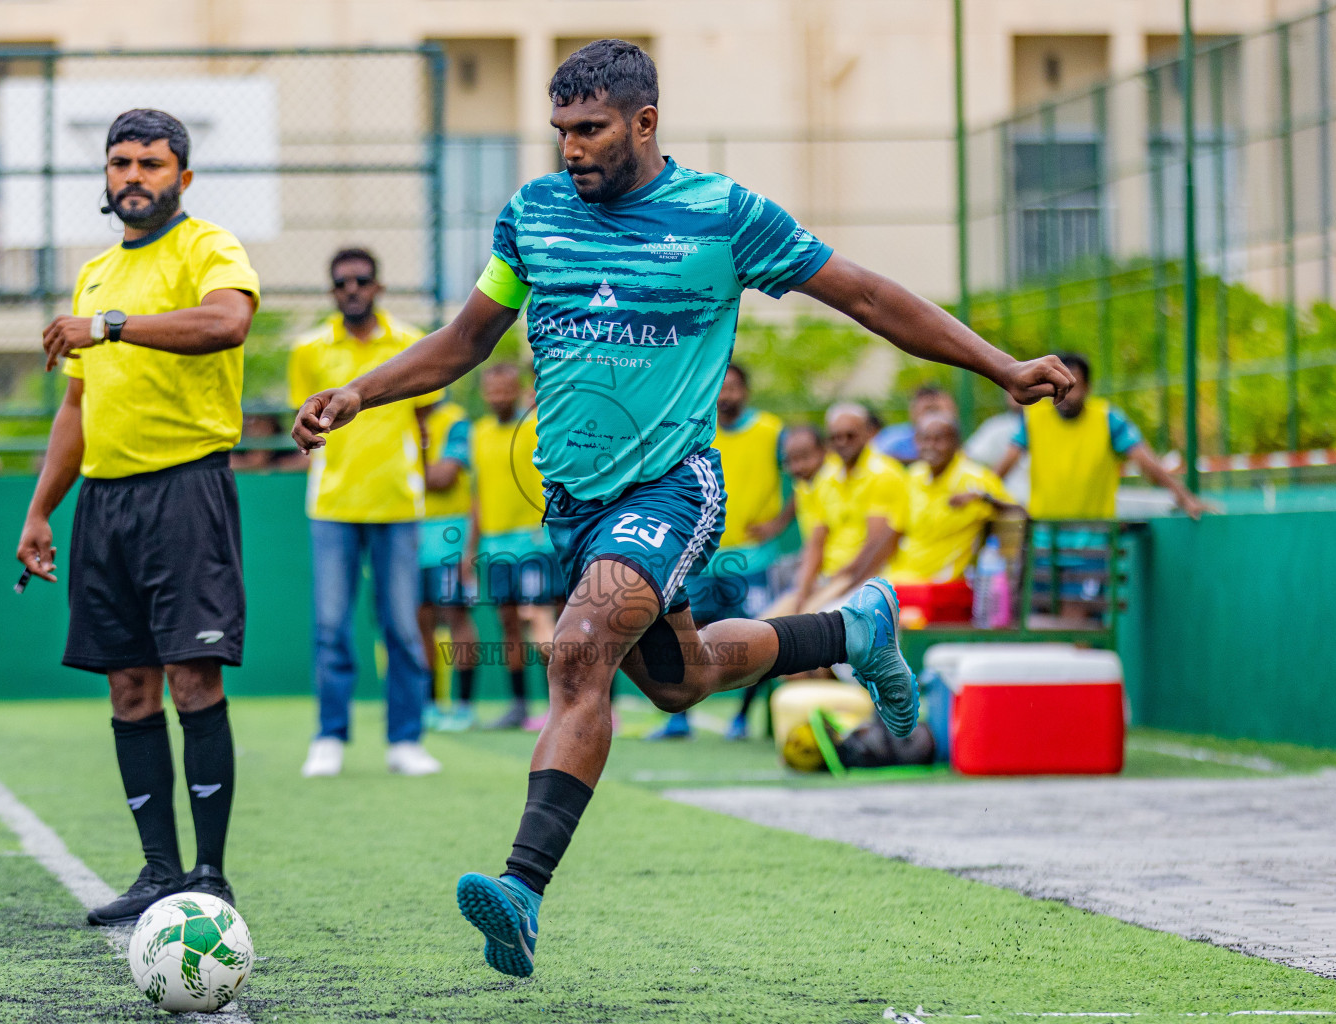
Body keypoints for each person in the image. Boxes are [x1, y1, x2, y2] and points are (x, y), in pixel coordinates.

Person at [290, 39, 1072, 978]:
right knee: (678, 680)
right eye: (561, 130)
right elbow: (466, 339)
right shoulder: (533, 215)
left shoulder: (724, 215)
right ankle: (851, 630)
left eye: (590, 129)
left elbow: (865, 296)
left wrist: (999, 365)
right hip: (573, 509)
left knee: (578, 651)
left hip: (671, 488)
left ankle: (522, 891)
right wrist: (361, 392)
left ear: (645, 122)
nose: (571, 148)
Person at [14, 108, 258, 925]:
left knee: (193, 677)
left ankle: (210, 876)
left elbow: (227, 323)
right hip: (105, 502)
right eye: (120, 163)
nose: (133, 177)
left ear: (182, 177)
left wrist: (110, 326)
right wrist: (40, 510)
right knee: (128, 686)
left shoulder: (207, 247)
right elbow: (76, 405)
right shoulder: (94, 274)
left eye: (151, 164)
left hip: (185, 489)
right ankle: (158, 871)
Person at [289, 246, 441, 779]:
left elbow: (425, 420)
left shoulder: (410, 343)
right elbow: (302, 424)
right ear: (332, 291)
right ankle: (329, 737)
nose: (351, 289)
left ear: (378, 286)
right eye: (341, 282)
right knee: (331, 627)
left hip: (398, 504)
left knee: (402, 628)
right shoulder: (308, 349)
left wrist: (420, 473)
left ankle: (406, 740)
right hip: (332, 506)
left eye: (361, 280)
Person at [649, 362, 790, 740]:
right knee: (685, 637)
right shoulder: (695, 430)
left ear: (746, 391)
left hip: (753, 559)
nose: (726, 394)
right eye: (721, 387)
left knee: (759, 634)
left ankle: (743, 719)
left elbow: (807, 476)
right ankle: (679, 718)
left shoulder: (771, 430)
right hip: (701, 557)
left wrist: (780, 522)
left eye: (734, 387)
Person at [994, 352, 1208, 522]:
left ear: (1088, 388)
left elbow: (1147, 463)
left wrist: (1185, 498)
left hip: (1096, 537)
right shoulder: (1033, 419)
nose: (1065, 394)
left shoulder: (1108, 419)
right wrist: (987, 496)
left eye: (1072, 387)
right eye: (1057, 385)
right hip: (1045, 536)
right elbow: (1003, 467)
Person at [467, 363, 562, 730]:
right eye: (492, 390)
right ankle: (519, 704)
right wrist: (471, 547)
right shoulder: (478, 433)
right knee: (508, 622)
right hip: (495, 545)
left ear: (518, 389)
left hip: (534, 542)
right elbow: (478, 494)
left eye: (506, 389)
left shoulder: (537, 425)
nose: (499, 397)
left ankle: (559, 704)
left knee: (538, 618)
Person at [777, 402, 908, 616]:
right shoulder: (827, 477)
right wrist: (804, 590)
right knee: (768, 622)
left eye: (850, 435)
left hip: (866, 581)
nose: (842, 442)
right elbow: (816, 542)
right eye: (836, 437)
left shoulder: (883, 473)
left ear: (867, 433)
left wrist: (837, 583)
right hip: (830, 579)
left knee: (808, 623)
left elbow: (877, 546)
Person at [877, 413, 1021, 587]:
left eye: (939, 440)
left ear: (956, 443)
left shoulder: (975, 479)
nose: (930, 446)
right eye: (924, 439)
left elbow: (1020, 514)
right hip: (901, 576)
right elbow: (896, 529)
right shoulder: (914, 476)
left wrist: (984, 499)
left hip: (942, 582)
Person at [418, 396, 480, 732]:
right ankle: (429, 705)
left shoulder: (456, 420)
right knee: (420, 620)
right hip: (409, 535)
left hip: (449, 537)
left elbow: (443, 478)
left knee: (456, 616)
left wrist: (399, 471)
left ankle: (465, 706)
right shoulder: (398, 417)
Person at [873, 384, 957, 465]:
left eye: (936, 410)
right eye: (927, 409)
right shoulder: (892, 437)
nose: (931, 416)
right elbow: (876, 459)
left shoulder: (956, 437)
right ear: (912, 411)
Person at [228, 412, 304, 472]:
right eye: (250, 420)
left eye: (260, 420)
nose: (254, 425)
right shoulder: (241, 442)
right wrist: (250, 463)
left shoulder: (280, 443)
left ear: (272, 425)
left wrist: (271, 464)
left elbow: (305, 460)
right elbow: (228, 462)